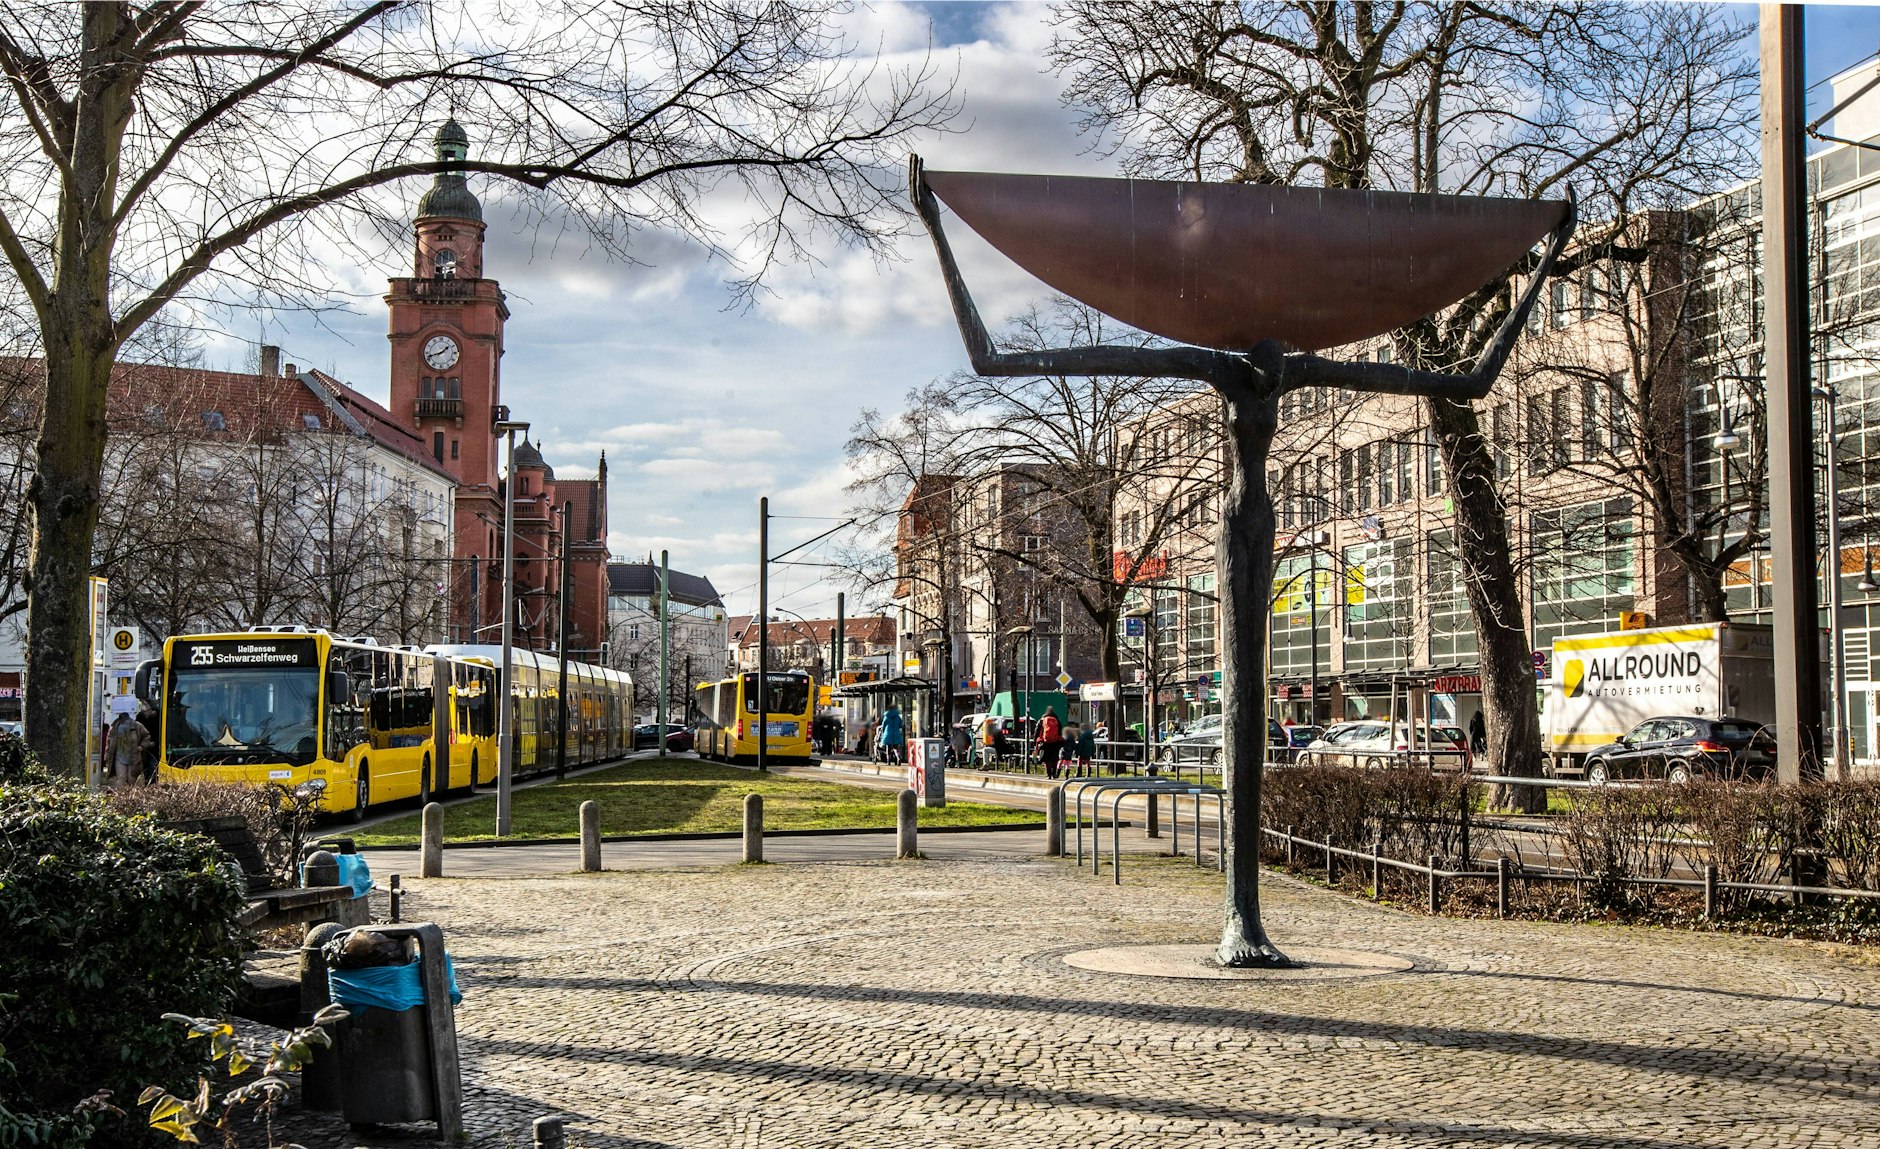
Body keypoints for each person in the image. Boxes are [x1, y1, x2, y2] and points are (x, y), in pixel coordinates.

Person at [105, 710, 151, 788]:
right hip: (119, 757)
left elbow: (147, 736)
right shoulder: (114, 728)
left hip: (134, 758)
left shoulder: (137, 726)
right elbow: (109, 743)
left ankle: (131, 794)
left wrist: (141, 746)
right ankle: (121, 794)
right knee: (121, 779)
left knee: (132, 779)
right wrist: (107, 756)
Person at [1036, 706, 1063, 779]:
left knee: (1047, 759)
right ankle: (1054, 774)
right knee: (1054, 758)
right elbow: (1060, 732)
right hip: (1055, 742)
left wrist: (1036, 739)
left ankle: (1049, 774)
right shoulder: (1057, 720)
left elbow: (1037, 730)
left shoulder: (1042, 720)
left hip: (1045, 742)